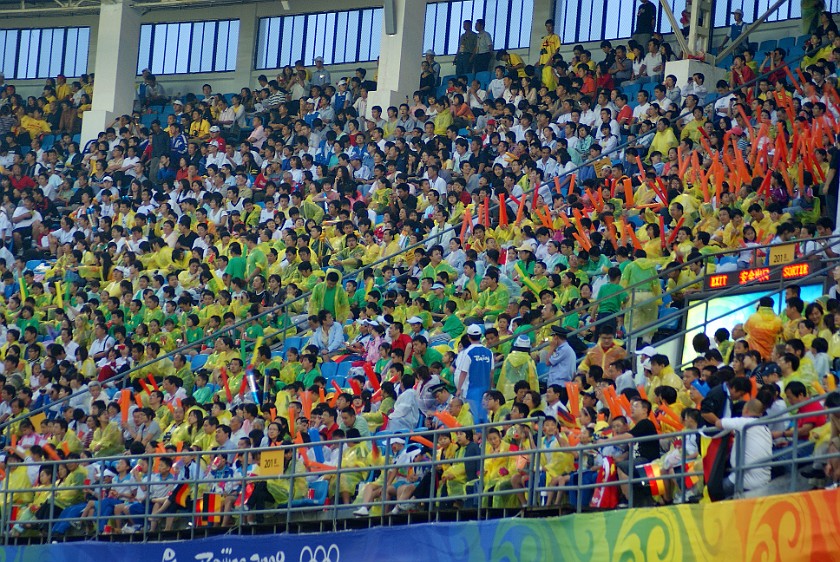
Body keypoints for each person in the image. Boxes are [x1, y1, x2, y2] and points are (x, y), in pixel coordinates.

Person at [715, 399, 772, 498]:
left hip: (744, 481)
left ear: (745, 411)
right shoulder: (766, 429)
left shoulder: (744, 422)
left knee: (714, 491)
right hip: (764, 481)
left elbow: (719, 423)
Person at [455, 325, 494, 424]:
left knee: (474, 416)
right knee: (484, 415)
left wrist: (459, 389)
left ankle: (477, 436)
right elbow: (491, 372)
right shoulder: (489, 352)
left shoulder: (467, 352)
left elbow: (463, 373)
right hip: (485, 389)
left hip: (471, 391)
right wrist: (489, 388)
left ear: (468, 336)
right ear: (481, 336)